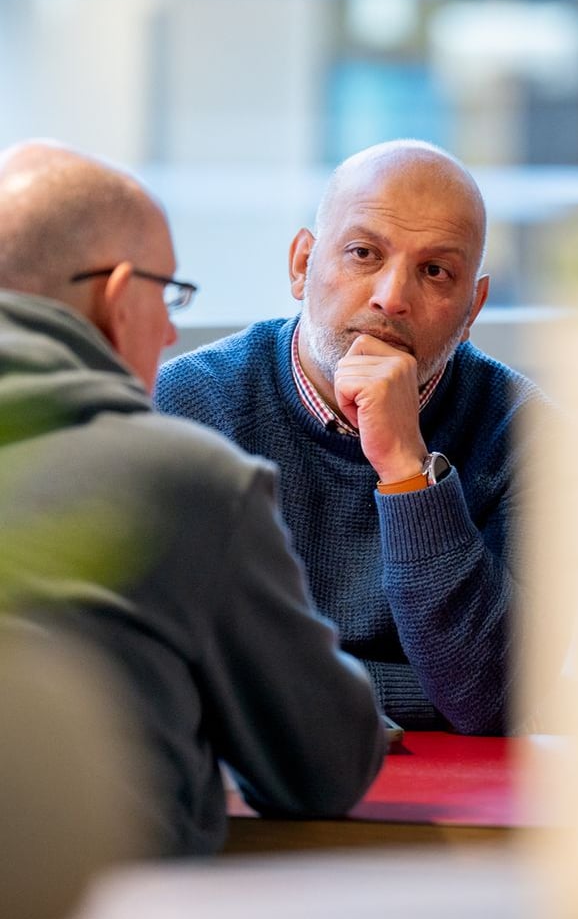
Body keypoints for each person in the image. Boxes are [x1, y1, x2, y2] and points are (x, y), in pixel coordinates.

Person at [0, 140, 385, 857]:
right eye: (167, 294)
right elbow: (322, 768)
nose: (171, 329)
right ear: (118, 298)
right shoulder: (177, 481)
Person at [156, 139, 559, 736]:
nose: (392, 297)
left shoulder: (532, 436)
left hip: (456, 808)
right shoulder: (186, 408)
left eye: (434, 271)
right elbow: (168, 672)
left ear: (472, 308)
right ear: (302, 265)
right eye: (364, 253)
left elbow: (493, 699)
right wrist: (415, 693)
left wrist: (405, 466)